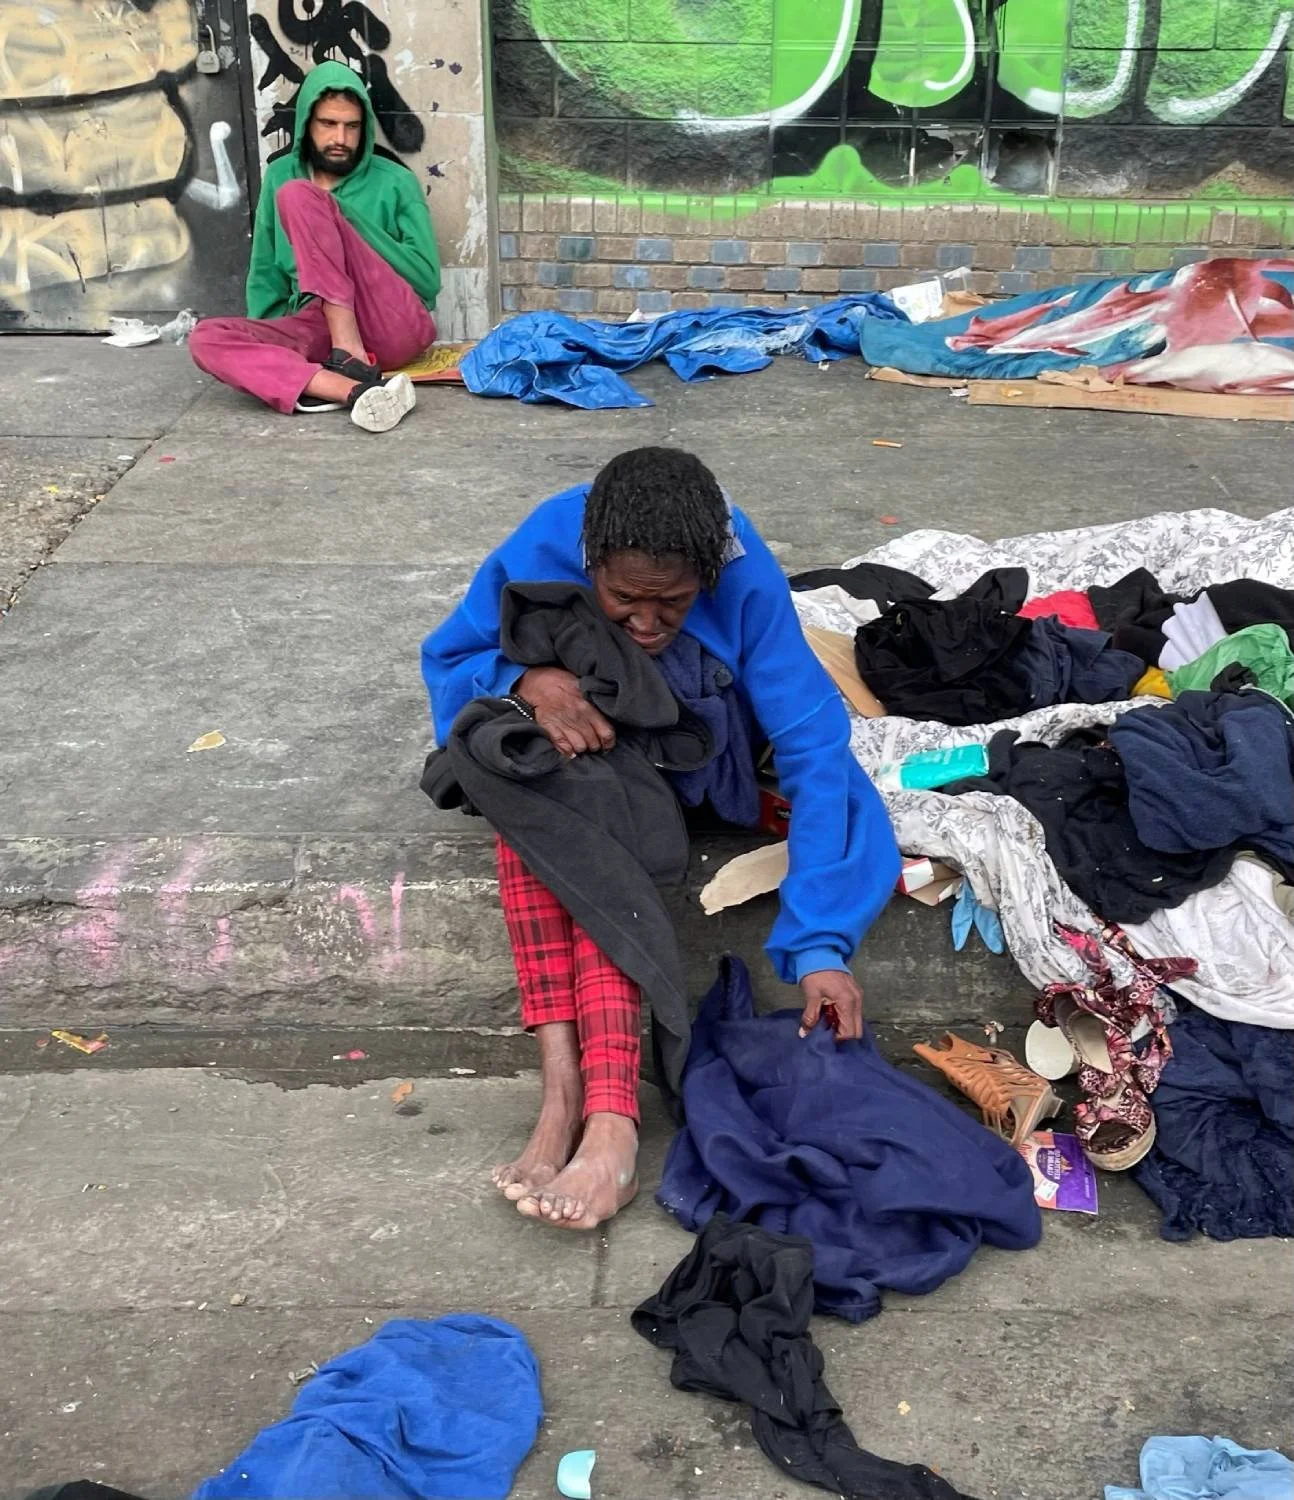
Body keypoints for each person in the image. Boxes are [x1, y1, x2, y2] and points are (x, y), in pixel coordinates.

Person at [421, 448, 900, 1232]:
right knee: (519, 771)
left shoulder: (743, 573)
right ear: (590, 560)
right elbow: (452, 656)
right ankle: (566, 1088)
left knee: (578, 813)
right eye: (623, 599)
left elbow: (816, 752)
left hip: (687, 756)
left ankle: (603, 1112)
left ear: (706, 576)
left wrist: (820, 946)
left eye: (673, 602)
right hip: (575, 749)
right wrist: (525, 682)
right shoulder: (548, 537)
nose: (646, 623)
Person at [189, 61, 439, 433]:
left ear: (364, 129)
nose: (340, 138)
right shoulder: (280, 176)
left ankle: (349, 354)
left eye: (352, 126)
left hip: (388, 320)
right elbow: (266, 275)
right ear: (307, 124)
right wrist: (273, 340)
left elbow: (427, 280)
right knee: (206, 338)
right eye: (328, 124)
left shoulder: (395, 182)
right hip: (315, 322)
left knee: (300, 197)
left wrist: (339, 218)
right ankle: (354, 391)